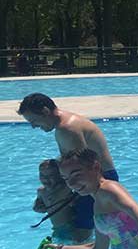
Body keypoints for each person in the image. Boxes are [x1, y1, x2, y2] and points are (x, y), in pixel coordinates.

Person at [18, 93, 118, 241]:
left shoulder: (67, 129)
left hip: (96, 181)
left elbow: (80, 169)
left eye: (34, 120)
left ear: (45, 111)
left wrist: (55, 197)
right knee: (87, 230)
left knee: (80, 234)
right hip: (98, 178)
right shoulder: (65, 123)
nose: (33, 126)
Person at [31, 159, 81, 240]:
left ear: (60, 176)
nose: (46, 179)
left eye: (51, 176)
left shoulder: (65, 188)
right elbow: (39, 208)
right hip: (56, 228)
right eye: (42, 175)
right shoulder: (41, 191)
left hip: (71, 227)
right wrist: (37, 207)